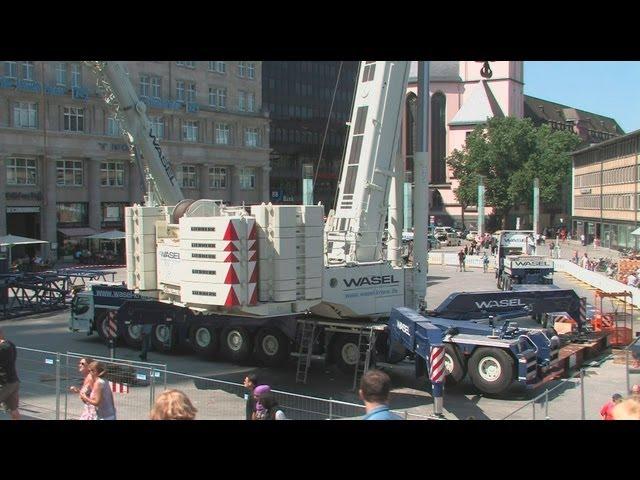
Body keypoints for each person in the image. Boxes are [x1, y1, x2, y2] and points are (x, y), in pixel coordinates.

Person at [0, 328, 20, 420]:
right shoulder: (10, 345)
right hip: (14, 381)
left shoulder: (2, 348)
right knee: (14, 409)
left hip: (4, 384)